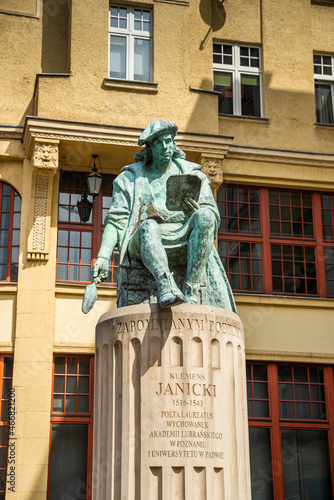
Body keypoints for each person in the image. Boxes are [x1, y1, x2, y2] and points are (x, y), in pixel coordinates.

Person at [92, 119, 236, 311]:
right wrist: (103, 257)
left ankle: (191, 288)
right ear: (149, 148)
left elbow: (211, 215)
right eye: (159, 143)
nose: (165, 147)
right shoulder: (129, 178)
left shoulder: (194, 175)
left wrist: (195, 212)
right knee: (149, 226)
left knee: (205, 216)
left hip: (182, 235)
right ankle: (165, 285)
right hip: (142, 240)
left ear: (174, 143)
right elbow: (116, 221)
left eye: (168, 141)